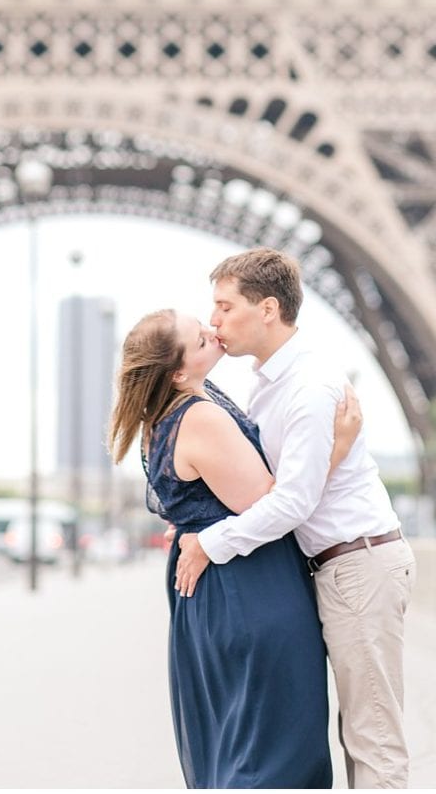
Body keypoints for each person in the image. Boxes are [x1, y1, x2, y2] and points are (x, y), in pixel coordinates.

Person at [175, 248, 415, 788]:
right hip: (331, 567)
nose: (214, 321)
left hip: (358, 565)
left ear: (266, 308)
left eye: (224, 306)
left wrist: (210, 543)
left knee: (373, 736)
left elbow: (293, 501)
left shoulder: (308, 388)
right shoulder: (268, 383)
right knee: (356, 731)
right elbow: (264, 484)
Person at [111, 307, 361, 788]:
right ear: (179, 370)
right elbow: (273, 501)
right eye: (199, 338)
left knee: (236, 735)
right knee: (274, 744)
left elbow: (190, 503)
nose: (212, 330)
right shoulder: (201, 416)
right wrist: (338, 449)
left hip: (211, 593)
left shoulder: (161, 420)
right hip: (250, 585)